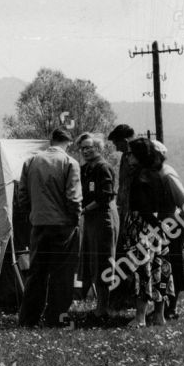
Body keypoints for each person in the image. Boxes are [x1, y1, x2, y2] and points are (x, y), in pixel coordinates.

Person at [16, 128, 83, 328]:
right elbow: (73, 198)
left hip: (39, 224)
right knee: (62, 275)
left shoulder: (30, 162)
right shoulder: (70, 163)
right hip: (63, 226)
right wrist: (75, 217)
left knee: (36, 274)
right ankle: (55, 319)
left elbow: (22, 195)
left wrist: (33, 214)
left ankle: (28, 319)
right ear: (68, 143)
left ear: (50, 141)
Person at [124, 138, 184, 326]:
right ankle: (160, 315)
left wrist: (154, 224)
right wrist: (161, 226)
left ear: (138, 156)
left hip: (142, 227)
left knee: (142, 271)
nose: (127, 157)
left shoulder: (140, 176)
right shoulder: (157, 174)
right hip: (158, 227)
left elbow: (143, 208)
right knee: (160, 270)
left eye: (130, 153)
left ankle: (140, 317)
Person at [76, 133, 118, 323]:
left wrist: (83, 210)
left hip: (103, 218)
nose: (85, 151)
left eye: (89, 147)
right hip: (91, 219)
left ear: (98, 148)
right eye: (83, 148)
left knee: (103, 261)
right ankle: (97, 306)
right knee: (92, 260)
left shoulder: (103, 168)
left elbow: (105, 197)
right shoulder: (85, 169)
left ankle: (103, 308)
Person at [106, 123, 137, 311]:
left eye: (117, 144)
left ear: (125, 141)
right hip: (124, 211)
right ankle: (123, 298)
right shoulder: (127, 156)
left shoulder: (138, 156)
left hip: (135, 213)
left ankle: (133, 298)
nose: (116, 149)